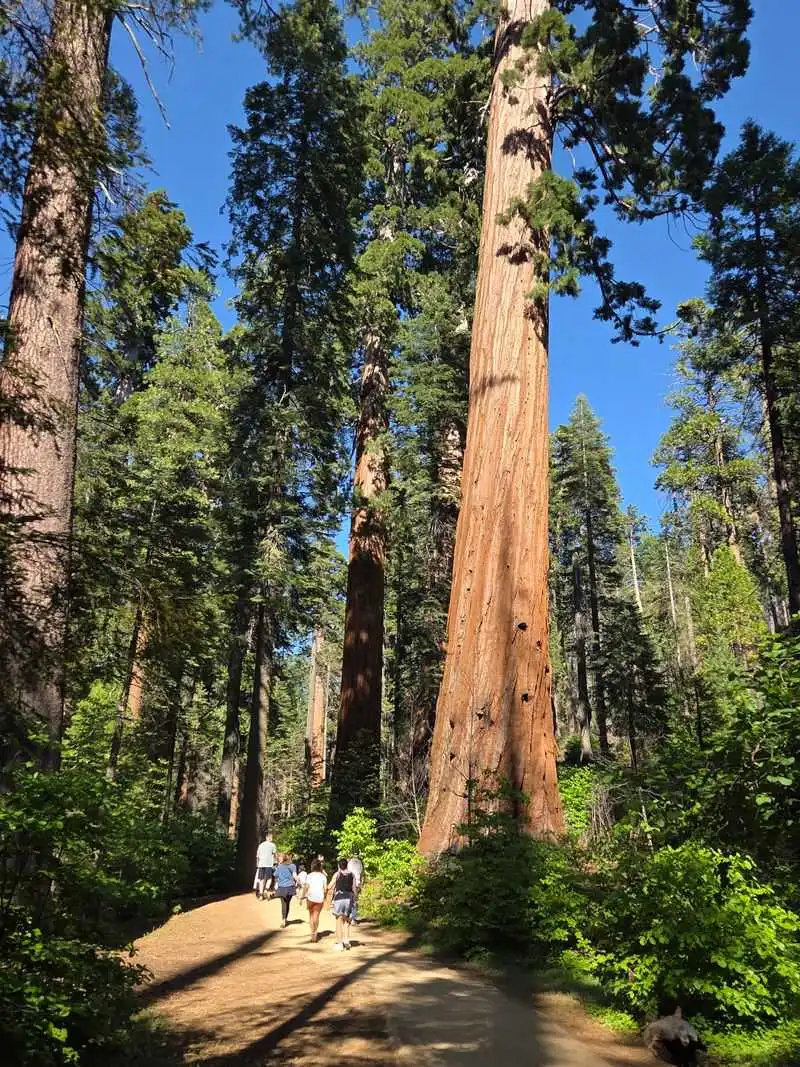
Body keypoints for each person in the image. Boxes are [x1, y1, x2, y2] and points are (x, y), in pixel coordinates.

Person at [327, 857, 355, 950]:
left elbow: (330, 886)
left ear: (339, 866)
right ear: (347, 865)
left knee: (338, 919)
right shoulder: (352, 874)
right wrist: (355, 899)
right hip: (349, 897)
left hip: (339, 897)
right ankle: (346, 940)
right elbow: (354, 888)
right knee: (347, 920)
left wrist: (327, 889)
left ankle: (339, 943)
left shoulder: (337, 874)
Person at [305, 859, 327, 943]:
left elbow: (306, 887)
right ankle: (315, 933)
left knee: (311, 915)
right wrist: (324, 896)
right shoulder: (323, 877)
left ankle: (312, 933)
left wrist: (302, 895)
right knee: (316, 916)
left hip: (310, 897)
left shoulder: (309, 875)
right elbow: (325, 889)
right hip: (319, 898)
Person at [273, 853, 298, 927]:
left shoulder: (280, 866)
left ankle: (283, 919)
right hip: (290, 887)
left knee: (283, 904)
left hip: (282, 887)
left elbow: (275, 875)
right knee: (287, 903)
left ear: (283, 859)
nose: (279, 859)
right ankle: (285, 918)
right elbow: (295, 875)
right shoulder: (293, 866)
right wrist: (299, 882)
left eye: (280, 858)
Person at [254, 832, 277, 900]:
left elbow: (257, 856)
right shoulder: (273, 845)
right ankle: (266, 890)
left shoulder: (261, 845)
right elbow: (275, 854)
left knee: (261, 879)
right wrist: (277, 862)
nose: (271, 838)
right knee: (269, 878)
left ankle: (261, 895)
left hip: (261, 864)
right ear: (268, 837)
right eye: (271, 837)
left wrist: (257, 864)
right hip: (268, 864)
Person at [346, 855, 364, 923]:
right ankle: (353, 918)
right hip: (357, 884)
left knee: (349, 900)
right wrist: (361, 884)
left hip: (350, 883)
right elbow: (362, 875)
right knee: (355, 901)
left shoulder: (349, 862)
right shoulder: (360, 862)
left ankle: (349, 916)